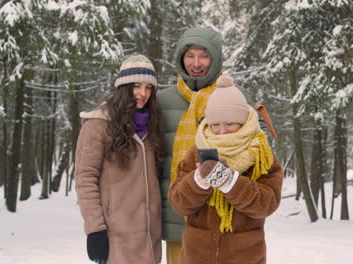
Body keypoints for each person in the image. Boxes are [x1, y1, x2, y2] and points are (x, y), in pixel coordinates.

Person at [156, 27, 273, 264]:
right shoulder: (161, 100)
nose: (196, 63)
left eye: (204, 55)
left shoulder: (236, 98)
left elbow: (262, 148)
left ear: (216, 58)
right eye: (190, 55)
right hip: (177, 211)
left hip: (227, 216)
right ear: (180, 57)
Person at [168, 74, 283, 264]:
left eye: (229, 123)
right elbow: (178, 203)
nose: (221, 131)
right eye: (215, 124)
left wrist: (230, 182)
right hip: (197, 257)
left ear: (243, 121)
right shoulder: (198, 151)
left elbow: (267, 203)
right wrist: (198, 182)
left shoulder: (261, 153)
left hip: (245, 257)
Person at [74, 55, 163, 264]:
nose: (143, 94)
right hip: (116, 237)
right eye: (137, 86)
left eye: (149, 88)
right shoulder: (98, 124)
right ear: (123, 87)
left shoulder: (153, 125)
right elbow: (84, 179)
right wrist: (95, 230)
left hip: (150, 239)